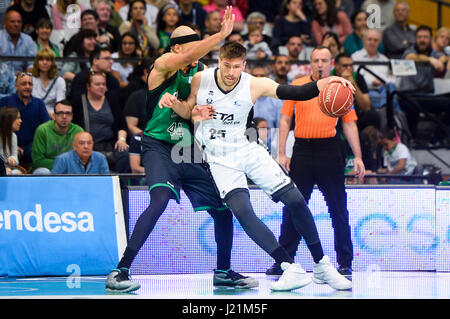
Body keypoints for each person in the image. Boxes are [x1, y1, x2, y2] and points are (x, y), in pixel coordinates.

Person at [160, 41, 355, 291]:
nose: (231, 73)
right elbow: (187, 110)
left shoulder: (254, 83)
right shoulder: (201, 79)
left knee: (296, 200)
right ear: (219, 62)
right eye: (226, 66)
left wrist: (328, 81)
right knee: (243, 211)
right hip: (219, 158)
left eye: (236, 67)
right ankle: (288, 266)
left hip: (247, 148)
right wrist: (178, 105)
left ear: (245, 65)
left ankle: (322, 265)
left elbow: (294, 92)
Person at [105, 7, 259, 293]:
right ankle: (120, 270)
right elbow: (188, 57)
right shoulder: (163, 63)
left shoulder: (200, 73)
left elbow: (191, 111)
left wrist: (196, 111)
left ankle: (223, 271)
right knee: (160, 199)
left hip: (187, 149)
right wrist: (222, 34)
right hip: (158, 145)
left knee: (222, 209)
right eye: (192, 47)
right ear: (177, 48)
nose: (197, 53)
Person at [267, 46, 365, 279]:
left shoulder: (340, 88)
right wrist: (281, 152)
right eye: (315, 60)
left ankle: (344, 262)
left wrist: (358, 156)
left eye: (324, 60)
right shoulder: (299, 84)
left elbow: (349, 123)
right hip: (301, 151)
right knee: (293, 208)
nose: (320, 64)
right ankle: (285, 261)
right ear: (309, 63)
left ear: (331, 63)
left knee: (338, 209)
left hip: (329, 152)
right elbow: (285, 119)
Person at [71, 71, 128, 172]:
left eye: (103, 84)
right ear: (88, 86)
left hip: (109, 144)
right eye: (97, 84)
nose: (101, 87)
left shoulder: (111, 100)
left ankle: (120, 184)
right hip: (87, 144)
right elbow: (74, 125)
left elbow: (121, 125)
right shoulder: (79, 101)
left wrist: (121, 140)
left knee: (124, 151)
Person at [0, 72, 50, 167]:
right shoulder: (5, 101)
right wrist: (14, 146)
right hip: (8, 141)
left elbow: (46, 127)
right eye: (23, 84)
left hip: (32, 145)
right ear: (16, 86)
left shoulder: (39, 103)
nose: (27, 86)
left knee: (36, 151)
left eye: (30, 84)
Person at [31, 100, 84, 174]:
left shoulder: (78, 131)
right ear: (53, 116)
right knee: (43, 172)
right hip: (48, 169)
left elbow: (82, 158)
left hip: (70, 171)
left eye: (68, 113)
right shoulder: (42, 130)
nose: (64, 116)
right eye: (60, 113)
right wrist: (64, 164)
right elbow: (38, 161)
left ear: (72, 116)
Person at [31, 49, 67, 119]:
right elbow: (33, 102)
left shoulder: (59, 81)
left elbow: (60, 103)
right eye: (41, 60)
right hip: (34, 115)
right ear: (37, 62)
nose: (45, 62)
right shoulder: (31, 80)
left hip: (54, 117)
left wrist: (53, 116)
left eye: (48, 60)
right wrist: (47, 114)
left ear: (52, 63)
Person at [0, 106, 23, 175]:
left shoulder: (13, 136)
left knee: (17, 173)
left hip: (9, 170)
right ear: (8, 120)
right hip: (2, 170)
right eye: (18, 118)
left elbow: (16, 159)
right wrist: (3, 169)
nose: (21, 121)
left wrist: (13, 159)